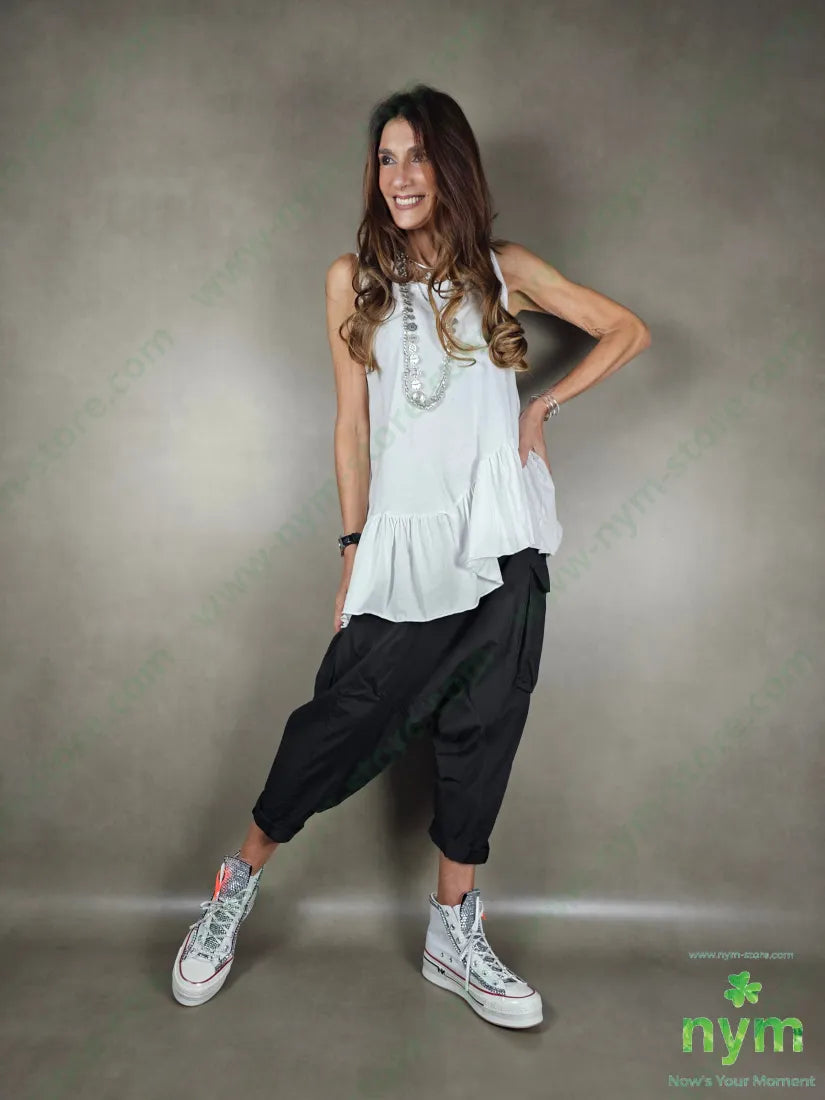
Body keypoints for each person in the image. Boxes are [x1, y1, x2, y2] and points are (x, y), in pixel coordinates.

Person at [171, 84, 651, 1028]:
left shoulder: (504, 270)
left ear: (451, 167)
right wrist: (353, 550)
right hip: (405, 544)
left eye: (418, 157)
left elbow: (626, 329)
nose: (399, 176)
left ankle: (452, 931)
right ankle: (232, 889)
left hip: (503, 541)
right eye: (386, 158)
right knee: (338, 720)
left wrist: (539, 407)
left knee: (484, 727)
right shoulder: (351, 280)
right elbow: (351, 429)